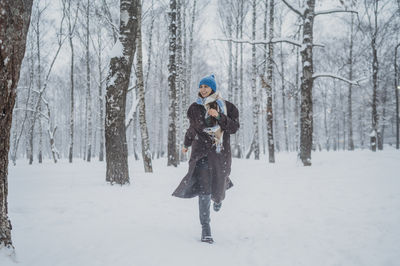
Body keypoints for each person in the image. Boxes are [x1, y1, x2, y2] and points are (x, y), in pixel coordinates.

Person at [172, 74, 240, 244]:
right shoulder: (194, 107)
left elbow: (233, 128)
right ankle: (206, 228)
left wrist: (218, 116)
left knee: (218, 186)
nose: (202, 89)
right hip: (201, 152)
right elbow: (193, 128)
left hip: (219, 153)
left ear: (213, 88)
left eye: (206, 86)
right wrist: (186, 143)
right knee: (204, 190)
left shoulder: (227, 106)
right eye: (201, 86)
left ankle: (218, 199)